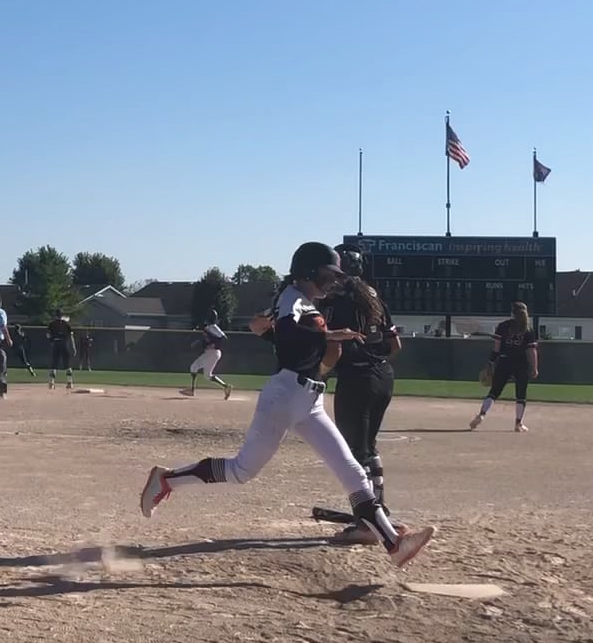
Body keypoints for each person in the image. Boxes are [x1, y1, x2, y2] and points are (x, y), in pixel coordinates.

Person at [139, 242, 434, 569]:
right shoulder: (291, 298)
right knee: (241, 471)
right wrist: (330, 336)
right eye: (327, 275)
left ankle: (394, 544)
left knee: (351, 470)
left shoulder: (304, 302)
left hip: (310, 400)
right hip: (285, 395)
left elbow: (282, 335)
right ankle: (167, 480)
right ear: (307, 272)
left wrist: (319, 339)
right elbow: (291, 331)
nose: (331, 282)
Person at [317, 264, 404, 543]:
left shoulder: (336, 302)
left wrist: (320, 373)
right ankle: (378, 511)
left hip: (356, 380)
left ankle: (367, 525)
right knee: (368, 448)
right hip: (383, 377)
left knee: (355, 452)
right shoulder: (373, 298)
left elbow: (334, 347)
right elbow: (395, 346)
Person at [472, 302, 539, 432]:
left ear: (512, 312)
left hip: (504, 361)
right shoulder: (528, 329)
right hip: (521, 364)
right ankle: (518, 424)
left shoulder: (503, 326)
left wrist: (491, 362)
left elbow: (496, 348)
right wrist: (534, 367)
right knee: (521, 395)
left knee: (494, 392)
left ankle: (481, 415)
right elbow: (531, 351)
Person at [183, 314, 231, 398]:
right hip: (213, 353)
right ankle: (226, 386)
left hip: (212, 352)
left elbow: (224, 338)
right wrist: (199, 342)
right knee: (207, 375)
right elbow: (209, 338)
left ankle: (192, 390)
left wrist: (213, 345)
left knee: (194, 367)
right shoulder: (209, 327)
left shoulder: (213, 327)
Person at [45, 311, 76, 386]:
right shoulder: (66, 324)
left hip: (56, 343)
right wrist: (73, 347)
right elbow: (71, 336)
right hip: (64, 344)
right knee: (67, 363)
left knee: (54, 363)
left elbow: (48, 335)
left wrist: (51, 341)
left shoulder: (52, 324)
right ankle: (69, 382)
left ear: (55, 315)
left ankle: (51, 382)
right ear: (62, 316)